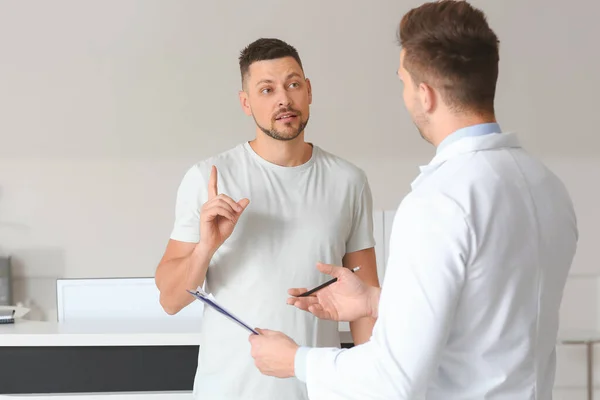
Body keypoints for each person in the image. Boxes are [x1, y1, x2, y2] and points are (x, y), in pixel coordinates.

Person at [248, 1, 579, 399]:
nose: (404, 95)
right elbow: (489, 314)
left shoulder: (438, 202)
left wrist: (295, 361)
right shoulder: (548, 187)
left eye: (403, 82)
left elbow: (393, 380)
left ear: (425, 95)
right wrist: (376, 301)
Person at [154, 38, 380, 400]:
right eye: (266, 89)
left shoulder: (349, 181)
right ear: (246, 103)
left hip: (317, 390)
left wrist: (372, 389)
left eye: (293, 84)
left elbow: (366, 304)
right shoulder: (208, 178)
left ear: (308, 91)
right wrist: (207, 247)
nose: (283, 99)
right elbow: (169, 300)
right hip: (228, 391)